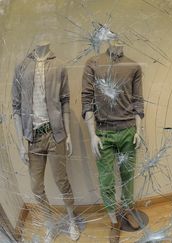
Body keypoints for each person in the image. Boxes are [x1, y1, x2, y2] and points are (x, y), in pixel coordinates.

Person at [11, 42, 80, 242]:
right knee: (36, 187)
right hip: (32, 137)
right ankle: (49, 222)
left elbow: (65, 101)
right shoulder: (21, 66)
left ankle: (71, 219)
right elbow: (15, 107)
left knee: (62, 181)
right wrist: (20, 143)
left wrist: (67, 135)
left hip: (55, 133)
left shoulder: (59, 65)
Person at [82, 43, 144, 242]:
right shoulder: (92, 64)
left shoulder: (134, 66)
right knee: (106, 180)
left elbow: (138, 101)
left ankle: (126, 211)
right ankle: (113, 221)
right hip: (103, 133)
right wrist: (92, 135)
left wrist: (138, 131)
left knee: (127, 178)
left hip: (128, 131)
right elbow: (86, 100)